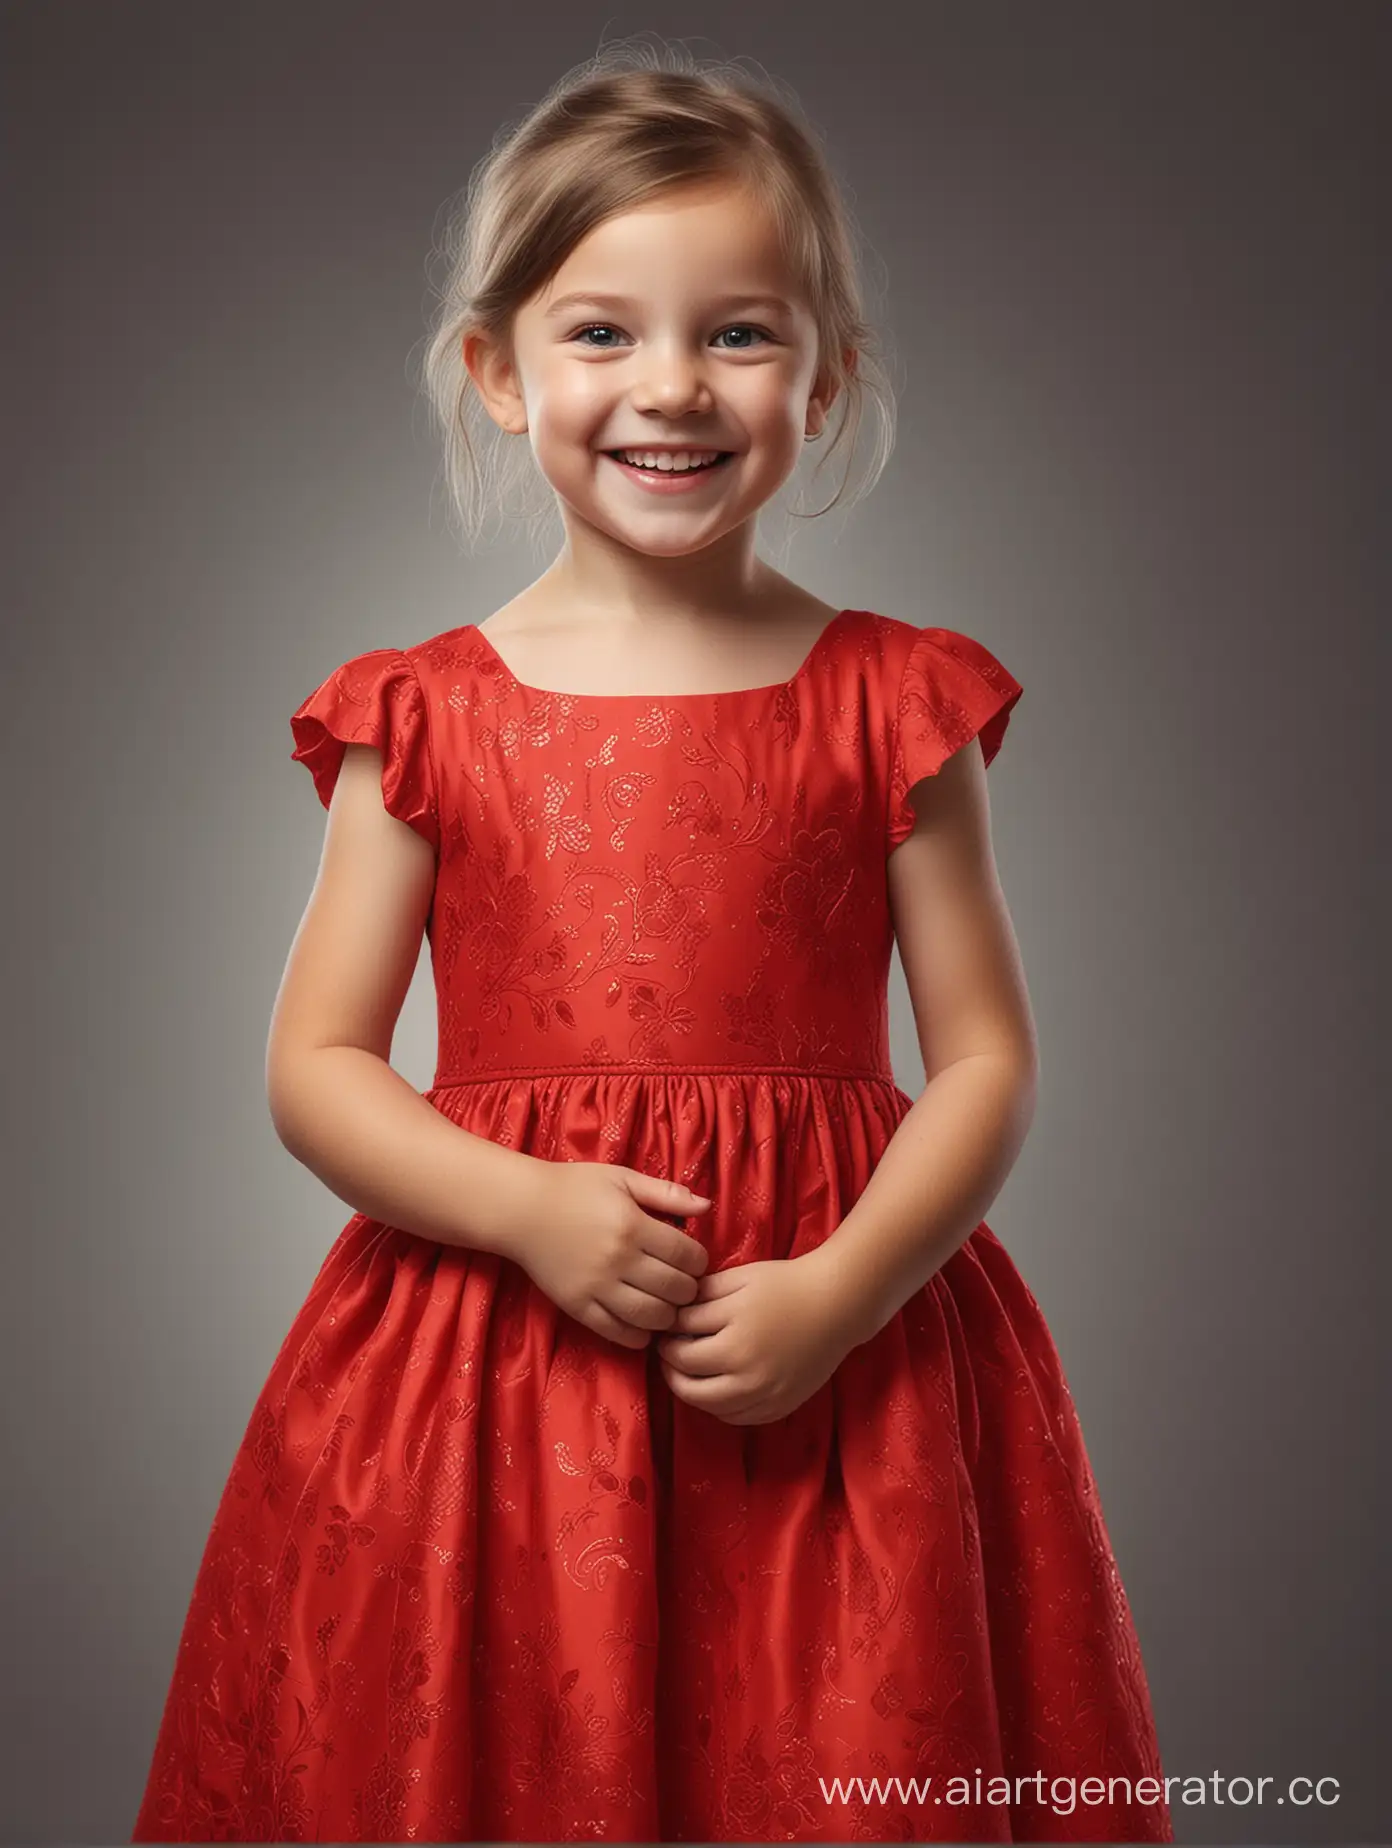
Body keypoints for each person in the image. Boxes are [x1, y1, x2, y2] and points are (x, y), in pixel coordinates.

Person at [130, 38, 1173, 1846]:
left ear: (826, 382)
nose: (671, 386)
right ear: (497, 372)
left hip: (841, 1356)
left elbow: (987, 1057)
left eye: (741, 333)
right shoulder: (425, 716)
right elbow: (315, 1068)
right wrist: (529, 1210)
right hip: (488, 1373)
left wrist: (846, 1294)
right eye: (601, 332)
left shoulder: (893, 701)